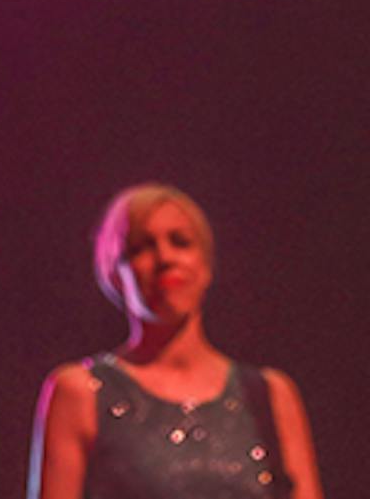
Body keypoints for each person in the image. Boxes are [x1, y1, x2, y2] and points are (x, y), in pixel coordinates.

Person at [28, 184, 322, 499]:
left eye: (180, 242)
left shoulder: (269, 395)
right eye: (140, 247)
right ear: (114, 274)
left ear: (206, 265)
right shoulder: (80, 392)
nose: (165, 258)